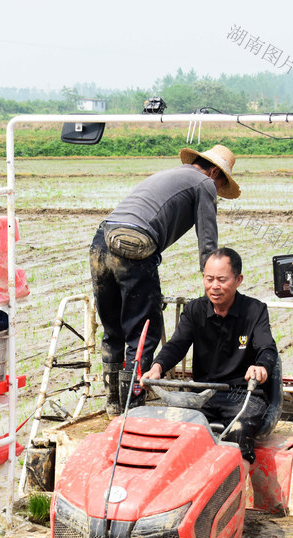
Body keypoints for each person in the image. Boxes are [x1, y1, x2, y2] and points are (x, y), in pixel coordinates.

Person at [90, 144, 241, 415]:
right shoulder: (204, 184)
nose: (216, 192)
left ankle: (114, 405)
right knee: (143, 332)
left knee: (113, 331)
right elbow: (208, 240)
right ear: (215, 172)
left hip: (101, 242)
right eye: (220, 186)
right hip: (133, 245)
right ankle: (132, 409)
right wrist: (214, 284)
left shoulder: (172, 174)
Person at [140, 248, 277, 467]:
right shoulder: (195, 310)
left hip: (242, 395)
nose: (214, 286)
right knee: (174, 432)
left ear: (238, 280)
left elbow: (267, 348)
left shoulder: (255, 311)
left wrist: (260, 367)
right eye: (209, 278)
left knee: (239, 431)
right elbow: (176, 345)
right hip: (203, 393)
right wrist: (157, 367)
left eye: (222, 280)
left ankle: (235, 486)